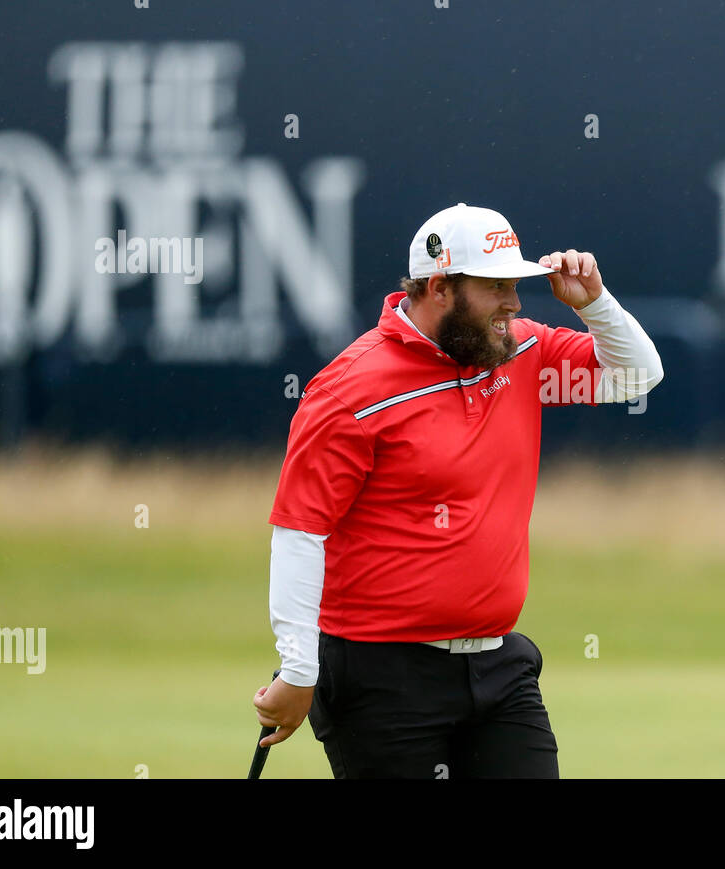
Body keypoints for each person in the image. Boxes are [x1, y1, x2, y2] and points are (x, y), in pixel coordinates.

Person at [251, 203, 664, 778]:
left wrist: (594, 303)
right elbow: (300, 532)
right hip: (380, 676)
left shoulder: (521, 353)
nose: (514, 303)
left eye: (514, 286)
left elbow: (636, 377)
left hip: (498, 665)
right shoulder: (351, 390)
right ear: (440, 287)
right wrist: (298, 672)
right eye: (496, 286)